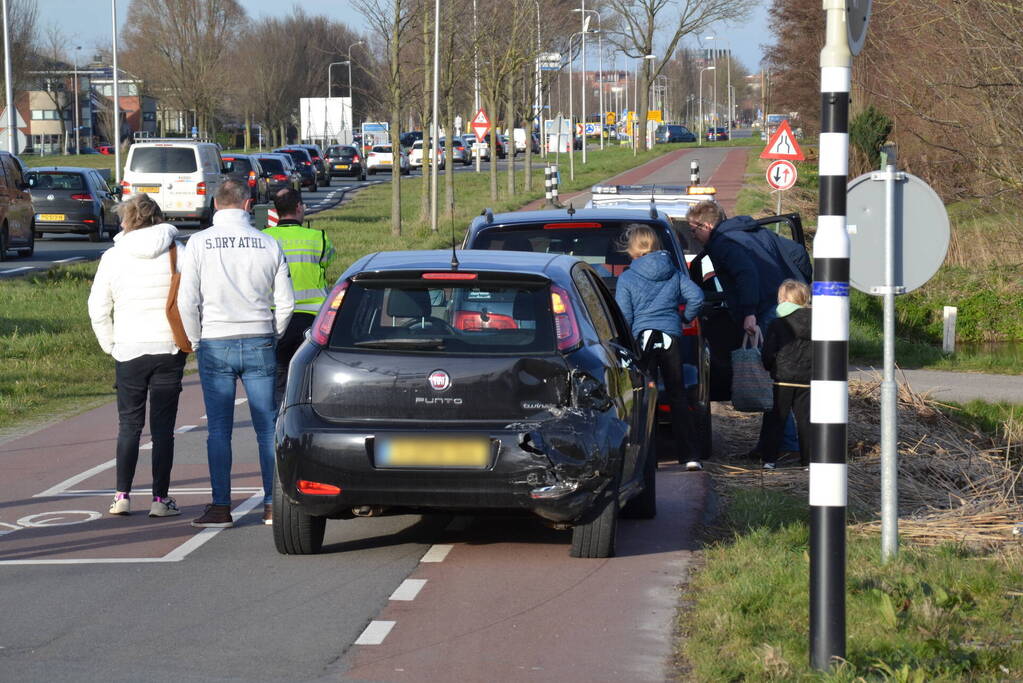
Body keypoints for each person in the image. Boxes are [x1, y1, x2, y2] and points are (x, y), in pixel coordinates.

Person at [178, 180, 295, 528]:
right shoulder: (268, 243)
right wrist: (272, 333)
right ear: (247, 206)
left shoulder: (197, 243)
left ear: (215, 205)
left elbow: (187, 300)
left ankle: (220, 505)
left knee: (218, 430)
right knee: (266, 427)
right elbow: (286, 303)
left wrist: (196, 339)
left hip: (215, 340)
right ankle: (273, 504)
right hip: (258, 335)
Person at [87, 193, 187, 518]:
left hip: (128, 349)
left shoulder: (113, 257)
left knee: (129, 425)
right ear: (157, 217)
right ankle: (160, 499)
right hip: (168, 348)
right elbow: (192, 299)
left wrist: (110, 345)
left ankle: (121, 496)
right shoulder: (177, 251)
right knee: (163, 430)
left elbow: (98, 307)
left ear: (127, 221)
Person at [686, 200, 811, 460]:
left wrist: (749, 313)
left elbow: (746, 274)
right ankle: (770, 445)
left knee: (778, 381)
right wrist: (800, 287)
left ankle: (786, 445)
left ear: (707, 224)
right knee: (779, 377)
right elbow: (797, 252)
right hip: (784, 304)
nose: (693, 236)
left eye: (694, 229)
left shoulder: (724, 243)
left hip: (764, 308)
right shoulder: (756, 232)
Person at [614, 225, 705, 470]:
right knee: (677, 395)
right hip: (671, 337)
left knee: (644, 398)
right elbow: (696, 296)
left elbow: (625, 315)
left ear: (632, 248)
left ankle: (648, 459)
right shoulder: (673, 273)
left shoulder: (627, 277)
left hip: (643, 339)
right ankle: (690, 456)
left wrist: (625, 344)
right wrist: (684, 319)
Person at [262, 187, 335, 403]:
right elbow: (327, 260)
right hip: (311, 318)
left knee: (279, 372)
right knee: (309, 374)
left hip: (275, 317)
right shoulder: (318, 238)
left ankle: (278, 422)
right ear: (298, 208)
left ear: (276, 211)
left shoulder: (265, 238)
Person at [761, 280, 812, 468]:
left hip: (782, 379)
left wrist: (769, 367)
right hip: (808, 378)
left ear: (783, 299)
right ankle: (808, 461)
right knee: (806, 421)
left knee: (776, 420)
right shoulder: (818, 320)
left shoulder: (778, 322)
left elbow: (768, 351)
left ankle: (769, 460)